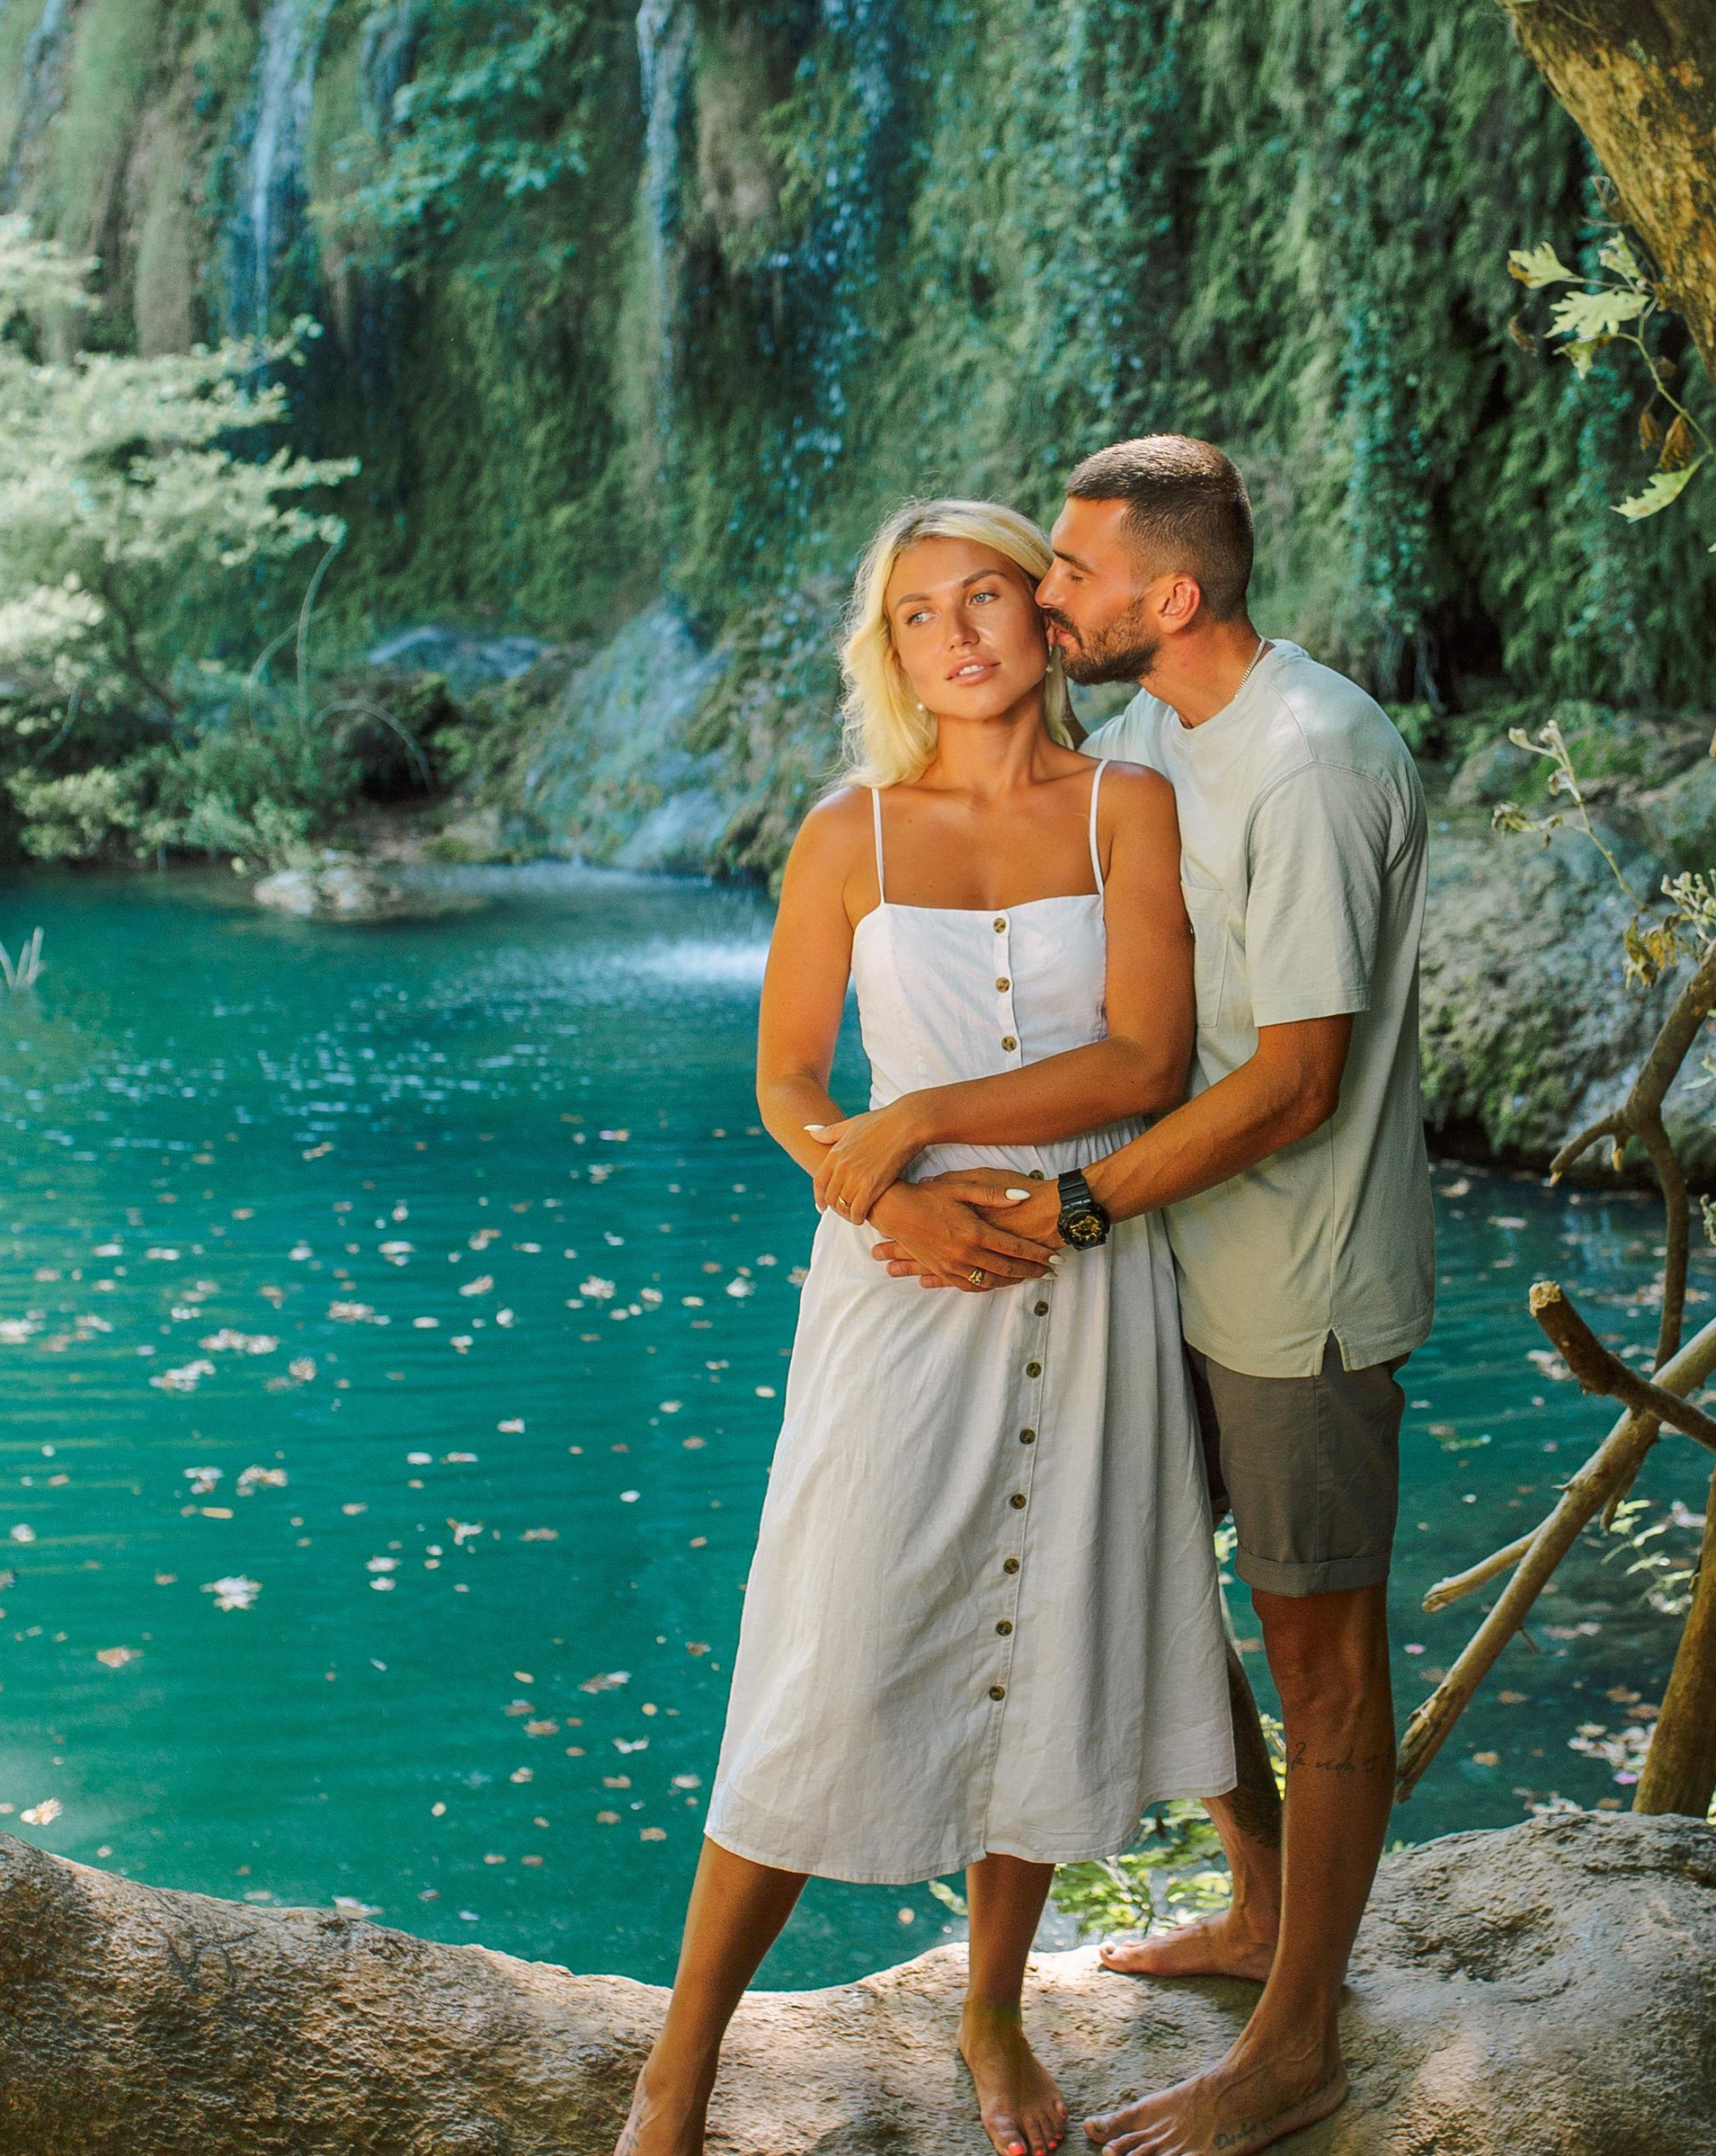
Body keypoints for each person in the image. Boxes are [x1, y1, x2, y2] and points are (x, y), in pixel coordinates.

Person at [613, 497, 1238, 2156]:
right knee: (826, 1650)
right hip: (894, 1287)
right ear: (884, 648)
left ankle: (992, 2009)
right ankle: (678, 2066)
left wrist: (928, 1116)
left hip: (1086, 1266)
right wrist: (884, 1190)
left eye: (982, 598)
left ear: (1044, 617)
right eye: (913, 615)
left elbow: (1146, 1067)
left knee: (1034, 1640)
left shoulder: (1130, 804)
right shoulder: (848, 834)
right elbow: (789, 1086)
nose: (954, 636)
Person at [878, 438, 1434, 2156]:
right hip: (1166, 1272)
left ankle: (1297, 2049)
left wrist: (1076, 1204)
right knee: (1167, 1601)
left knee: (1320, 1653)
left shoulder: (1313, 761)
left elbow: (1296, 1085)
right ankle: (1262, 1908)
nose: (1046, 597)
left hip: (1296, 1284)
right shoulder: (1147, 738)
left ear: (1169, 599)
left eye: (1070, 574)